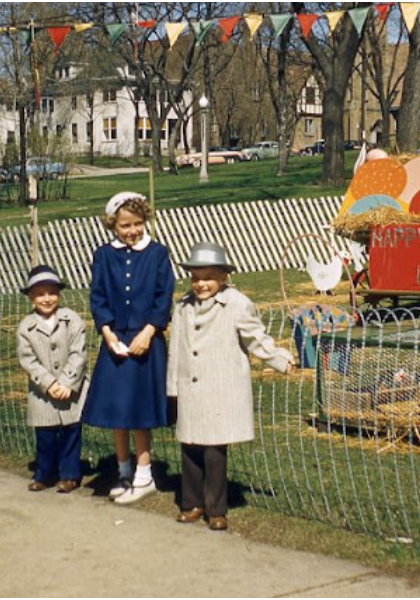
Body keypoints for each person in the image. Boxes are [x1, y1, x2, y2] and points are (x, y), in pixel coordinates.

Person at [168, 242, 295, 531]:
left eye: (209, 278)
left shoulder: (237, 303)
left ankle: (216, 509)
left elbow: (255, 338)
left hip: (220, 388)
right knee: (189, 448)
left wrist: (280, 360)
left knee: (214, 450)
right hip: (190, 387)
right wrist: (172, 389)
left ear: (224, 277)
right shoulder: (183, 306)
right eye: (196, 278)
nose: (201, 284)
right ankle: (191, 503)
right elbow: (175, 349)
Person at [82, 191, 175, 504]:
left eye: (137, 224)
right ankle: (123, 471)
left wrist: (148, 332)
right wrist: (107, 333)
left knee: (139, 411)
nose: (132, 231)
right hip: (115, 341)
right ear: (113, 226)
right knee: (118, 410)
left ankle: (144, 474)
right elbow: (98, 297)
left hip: (146, 341)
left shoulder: (158, 254)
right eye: (125, 226)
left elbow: (164, 297)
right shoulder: (104, 255)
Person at [16, 265, 87, 493]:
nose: (47, 299)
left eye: (52, 293)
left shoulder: (72, 320)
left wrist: (67, 383)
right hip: (43, 393)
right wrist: (49, 384)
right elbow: (28, 360)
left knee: (70, 434)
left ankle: (69, 475)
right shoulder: (26, 327)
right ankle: (44, 474)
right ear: (30, 297)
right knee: (45, 436)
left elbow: (79, 353)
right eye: (40, 294)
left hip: (70, 390)